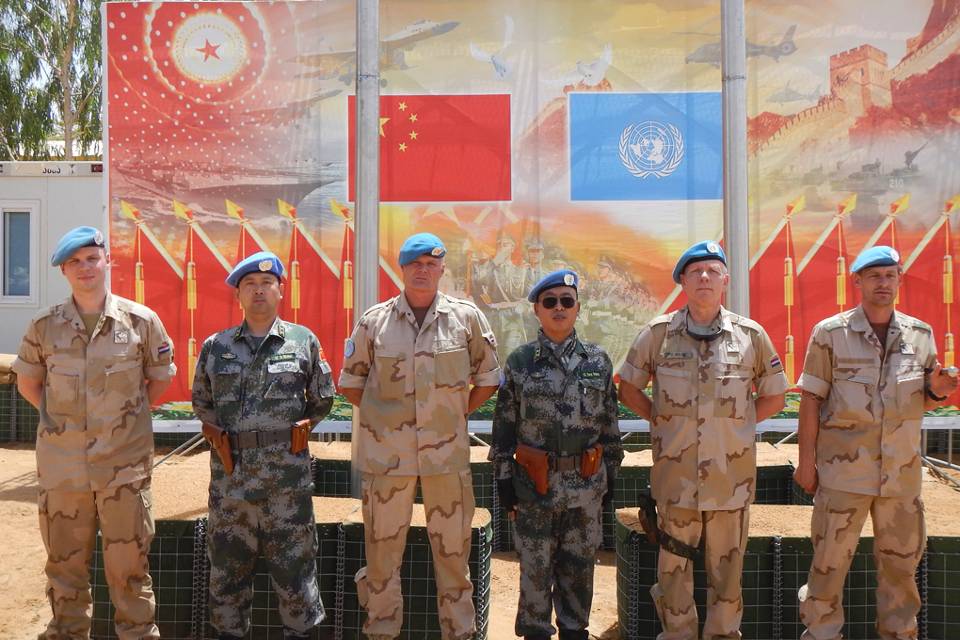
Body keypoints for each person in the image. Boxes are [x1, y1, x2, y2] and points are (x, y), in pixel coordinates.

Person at [618, 240, 788, 640]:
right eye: (696, 272)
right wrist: (662, 420)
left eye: (713, 271)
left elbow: (776, 395)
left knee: (727, 571)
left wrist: (739, 427)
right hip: (676, 477)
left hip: (731, 479)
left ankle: (722, 635)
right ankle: (677, 634)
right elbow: (628, 388)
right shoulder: (658, 334)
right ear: (683, 281)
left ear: (726, 280)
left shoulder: (750, 336)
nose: (705, 278)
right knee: (673, 569)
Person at [14, 226, 175, 640]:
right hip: (63, 472)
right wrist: (64, 423)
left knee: (130, 569)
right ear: (64, 271)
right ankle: (67, 632)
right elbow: (29, 384)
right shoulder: (44, 326)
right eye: (74, 262)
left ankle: (137, 634)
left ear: (107, 261)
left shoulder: (141, 322)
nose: (84, 268)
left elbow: (158, 380)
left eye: (91, 258)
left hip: (124, 470)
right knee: (64, 569)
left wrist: (122, 418)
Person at [339, 232, 501, 640]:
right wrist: (387, 421)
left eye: (431, 264)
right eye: (415, 264)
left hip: (446, 460)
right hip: (387, 461)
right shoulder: (375, 322)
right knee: (381, 556)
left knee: (454, 557)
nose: (423, 271)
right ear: (403, 269)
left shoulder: (465, 318)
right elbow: (351, 384)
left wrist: (452, 414)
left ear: (442, 269)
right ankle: (382, 631)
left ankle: (459, 632)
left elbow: (487, 378)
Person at [793, 245, 957, 640]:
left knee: (901, 570)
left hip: (900, 480)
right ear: (857, 281)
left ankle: (898, 634)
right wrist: (806, 463)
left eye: (890, 275)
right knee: (828, 566)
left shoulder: (920, 335)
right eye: (874, 276)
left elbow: (921, 396)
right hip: (843, 476)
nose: (883, 283)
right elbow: (811, 401)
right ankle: (821, 633)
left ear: (899, 280)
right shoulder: (830, 334)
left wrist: (938, 390)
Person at [192, 250, 335, 640]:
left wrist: (297, 431)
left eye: (267, 283)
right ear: (238, 295)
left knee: (295, 570)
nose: (259, 291)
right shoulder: (216, 346)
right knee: (227, 571)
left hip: (286, 484)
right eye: (250, 285)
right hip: (231, 483)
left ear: (280, 291)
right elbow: (202, 400)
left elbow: (322, 398)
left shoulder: (303, 341)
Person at [490, 269, 623, 640]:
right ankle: (535, 631)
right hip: (534, 488)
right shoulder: (520, 362)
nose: (559, 308)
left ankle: (574, 631)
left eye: (567, 301)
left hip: (586, 487)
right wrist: (504, 482)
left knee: (579, 571)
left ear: (578, 308)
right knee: (534, 572)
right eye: (550, 302)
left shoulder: (598, 361)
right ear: (537, 310)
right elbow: (504, 429)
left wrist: (611, 476)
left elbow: (610, 425)